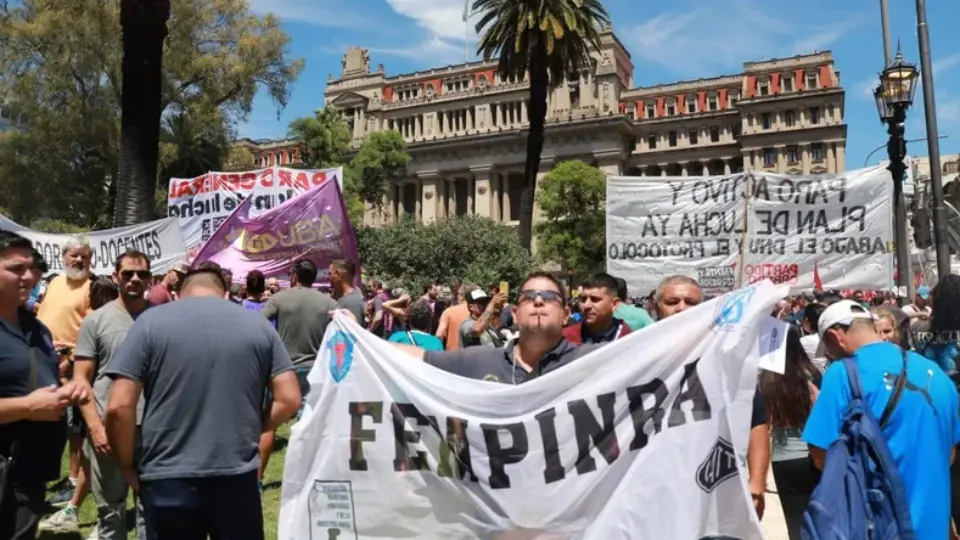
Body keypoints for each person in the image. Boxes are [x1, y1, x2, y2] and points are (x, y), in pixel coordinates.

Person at [103, 267, 301, 540]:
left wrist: (125, 464)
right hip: (236, 472)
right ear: (222, 293)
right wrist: (254, 426)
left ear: (182, 293)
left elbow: (118, 407)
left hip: (166, 474)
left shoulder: (150, 323)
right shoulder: (257, 325)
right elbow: (290, 399)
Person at [803, 300, 960, 540]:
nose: (832, 356)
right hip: (934, 527)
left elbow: (820, 455)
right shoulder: (936, 373)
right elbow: (949, 454)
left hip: (882, 526)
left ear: (835, 338)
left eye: (829, 350)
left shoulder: (842, 374)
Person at [652, 276, 769, 520]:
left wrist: (757, 481)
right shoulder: (639, 357)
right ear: (656, 307)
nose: (681, 308)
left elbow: (755, 420)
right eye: (672, 301)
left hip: (715, 488)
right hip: (658, 490)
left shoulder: (727, 355)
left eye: (691, 302)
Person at [0, 231, 89, 540]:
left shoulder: (36, 328)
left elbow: (44, 376)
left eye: (31, 268)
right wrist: (28, 407)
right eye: (16, 268)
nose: (29, 276)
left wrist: (65, 387)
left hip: (29, 473)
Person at [66, 251, 151, 540]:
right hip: (107, 429)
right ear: (116, 277)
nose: (135, 279)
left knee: (151, 507)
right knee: (111, 511)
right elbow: (81, 380)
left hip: (153, 430)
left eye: (141, 274)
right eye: (128, 274)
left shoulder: (161, 319)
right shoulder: (95, 322)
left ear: (150, 278)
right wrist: (95, 428)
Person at [260, 259, 337, 484]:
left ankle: (258, 477)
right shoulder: (329, 303)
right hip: (315, 368)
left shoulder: (278, 299)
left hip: (283, 369)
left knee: (269, 422)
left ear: (294, 276)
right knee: (310, 424)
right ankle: (307, 475)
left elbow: (259, 322)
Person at [37, 238, 94, 508]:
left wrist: (68, 361)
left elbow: (90, 330)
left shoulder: (91, 287)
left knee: (74, 425)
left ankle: (73, 480)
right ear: (64, 257)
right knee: (41, 420)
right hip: (41, 362)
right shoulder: (56, 282)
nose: (79, 261)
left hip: (71, 367)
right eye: (74, 255)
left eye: (84, 256)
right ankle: (40, 475)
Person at [759, 326, 822, 540]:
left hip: (782, 458)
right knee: (822, 518)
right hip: (814, 455)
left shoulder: (765, 381)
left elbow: (763, 425)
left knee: (795, 521)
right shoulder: (812, 374)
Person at [562, 273, 631, 344]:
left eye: (595, 299)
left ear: (614, 304)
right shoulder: (565, 338)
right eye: (583, 299)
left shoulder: (629, 340)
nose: (586, 305)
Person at [436, 284, 475, 350]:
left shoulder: (448, 312)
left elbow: (439, 334)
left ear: (462, 296)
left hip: (453, 355)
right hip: (474, 355)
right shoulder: (479, 312)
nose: (457, 296)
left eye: (458, 294)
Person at [329, 259, 364, 323]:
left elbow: (353, 330)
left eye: (330, 274)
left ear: (339, 274)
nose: (328, 277)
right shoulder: (338, 296)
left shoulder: (352, 302)